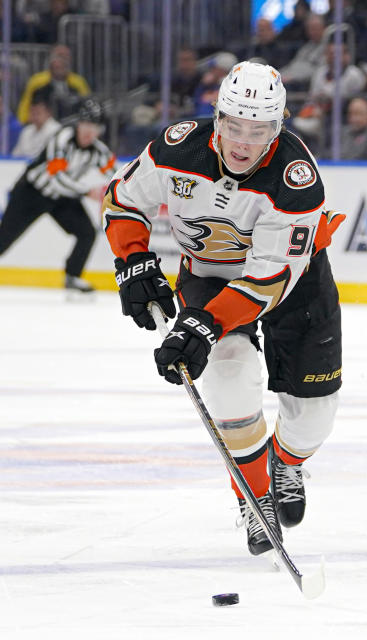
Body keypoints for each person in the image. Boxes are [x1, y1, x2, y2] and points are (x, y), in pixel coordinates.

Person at [101, 61, 345, 556]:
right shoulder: (177, 147)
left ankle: (287, 462)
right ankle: (254, 497)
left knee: (313, 419)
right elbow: (123, 200)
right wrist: (134, 261)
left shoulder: (296, 178)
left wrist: (205, 322)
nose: (242, 142)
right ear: (218, 117)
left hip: (294, 283)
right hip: (209, 274)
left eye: (258, 130)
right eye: (234, 125)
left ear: (277, 127)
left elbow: (269, 279)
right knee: (228, 379)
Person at [0, 99, 113, 294]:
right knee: (4, 239)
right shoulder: (62, 137)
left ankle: (73, 277)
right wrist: (87, 191)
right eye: (86, 124)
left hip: (62, 198)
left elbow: (116, 175)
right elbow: (55, 177)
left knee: (87, 232)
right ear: (79, 123)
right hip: (31, 194)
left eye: (95, 127)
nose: (89, 131)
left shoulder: (98, 151)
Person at [12, 87, 59, 158]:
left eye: (38, 112)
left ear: (48, 112)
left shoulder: (57, 131)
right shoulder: (26, 131)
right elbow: (15, 157)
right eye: (32, 112)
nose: (35, 116)